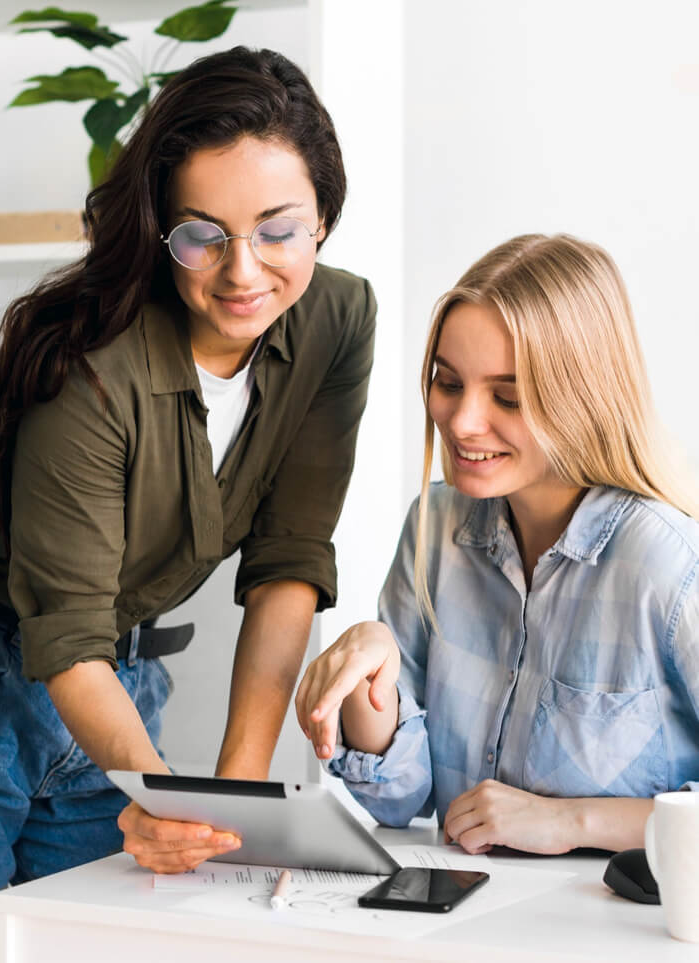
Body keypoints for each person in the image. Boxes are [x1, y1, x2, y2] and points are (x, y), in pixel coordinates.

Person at [0, 47, 375, 962]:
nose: (243, 272)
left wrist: (230, 805)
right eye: (202, 234)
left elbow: (289, 557)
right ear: (159, 228)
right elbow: (68, 633)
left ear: (323, 215)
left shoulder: (337, 320)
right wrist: (167, 802)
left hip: (111, 680)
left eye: (278, 230)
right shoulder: (91, 368)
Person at [296, 233, 699, 856]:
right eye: (449, 383)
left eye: (507, 396)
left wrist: (571, 823)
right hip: (463, 924)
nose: (461, 422)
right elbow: (401, 798)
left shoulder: (667, 561)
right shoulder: (435, 526)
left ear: (585, 399)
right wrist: (367, 669)